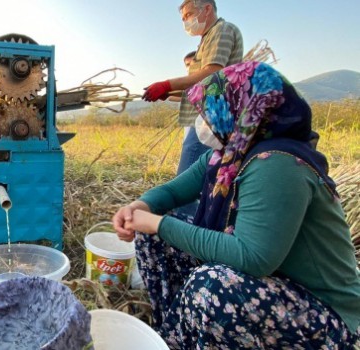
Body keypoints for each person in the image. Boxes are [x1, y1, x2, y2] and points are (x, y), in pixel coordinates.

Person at [114, 61, 360, 348]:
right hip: (271, 282)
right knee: (153, 233)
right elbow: (172, 192)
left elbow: (253, 258)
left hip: (320, 310)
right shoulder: (227, 156)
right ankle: (175, 332)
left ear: (246, 110)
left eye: (212, 110)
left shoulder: (278, 164)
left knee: (213, 285)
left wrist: (158, 223)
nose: (204, 121)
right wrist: (139, 206)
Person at [144, 0, 243, 222]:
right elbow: (198, 88)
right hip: (200, 118)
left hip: (208, 120)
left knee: (187, 180)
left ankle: (183, 229)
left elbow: (211, 74)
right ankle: (198, 223)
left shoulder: (222, 30)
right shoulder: (207, 39)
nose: (186, 22)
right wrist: (167, 94)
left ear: (207, 9)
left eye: (188, 15)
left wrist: (168, 84)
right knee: (201, 178)